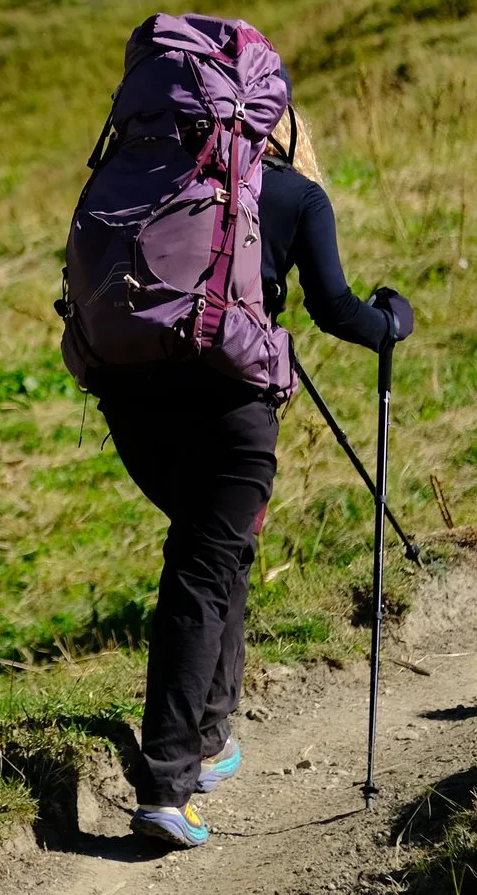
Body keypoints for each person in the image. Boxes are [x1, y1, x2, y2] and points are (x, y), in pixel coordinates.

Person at [91, 101, 414, 849]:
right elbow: (336, 310)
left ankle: (206, 738)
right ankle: (166, 786)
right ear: (278, 120)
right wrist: (392, 320)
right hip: (229, 407)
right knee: (203, 567)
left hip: (132, 400)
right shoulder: (296, 194)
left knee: (217, 546)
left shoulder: (155, 179)